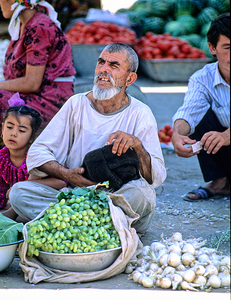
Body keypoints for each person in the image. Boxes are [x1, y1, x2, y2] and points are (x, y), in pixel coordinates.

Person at [8, 43, 166, 234]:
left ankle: (72, 223)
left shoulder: (140, 113)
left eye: (113, 66)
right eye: (101, 63)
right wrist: (67, 175)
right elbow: (38, 152)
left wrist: (137, 146)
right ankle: (99, 226)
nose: (104, 70)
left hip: (115, 198)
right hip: (76, 196)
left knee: (143, 194)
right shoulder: (77, 104)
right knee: (19, 193)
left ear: (130, 78)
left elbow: (154, 177)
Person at [172, 13, 230, 202]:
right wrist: (177, 134)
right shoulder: (202, 78)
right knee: (200, 116)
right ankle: (220, 182)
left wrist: (225, 136)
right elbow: (189, 111)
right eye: (227, 48)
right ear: (212, 48)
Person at [0, 0, 76, 133]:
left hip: (48, 101)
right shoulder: (24, 25)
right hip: (34, 96)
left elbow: (31, 83)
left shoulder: (39, 27)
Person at [0, 94, 68, 219]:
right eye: (9, 127)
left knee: (21, 218)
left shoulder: (36, 156)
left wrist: (25, 185)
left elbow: (61, 183)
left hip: (46, 199)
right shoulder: (2, 157)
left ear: (32, 137)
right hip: (18, 201)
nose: (13, 134)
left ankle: (14, 213)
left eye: (21, 130)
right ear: (2, 128)